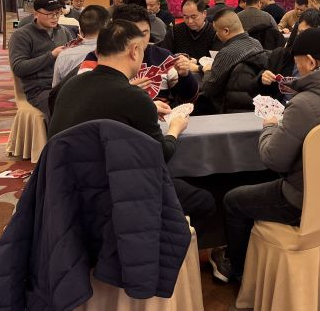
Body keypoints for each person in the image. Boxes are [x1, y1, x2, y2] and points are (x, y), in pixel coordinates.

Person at [210, 28, 320, 282]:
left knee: (233, 200)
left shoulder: (305, 104)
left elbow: (273, 159)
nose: (296, 68)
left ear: (310, 61)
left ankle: (239, 271)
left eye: (297, 62)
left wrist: (270, 126)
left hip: (306, 202)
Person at [48, 20, 215, 229]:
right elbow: (160, 154)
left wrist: (147, 106)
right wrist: (175, 129)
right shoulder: (133, 96)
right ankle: (161, 243)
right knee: (204, 201)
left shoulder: (71, 84)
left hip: (62, 186)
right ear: (135, 51)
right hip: (112, 192)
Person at [9, 0, 72, 118]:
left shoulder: (63, 31)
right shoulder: (21, 35)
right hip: (40, 88)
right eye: (50, 14)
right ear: (36, 14)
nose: (55, 17)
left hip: (64, 84)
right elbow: (19, 67)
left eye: (58, 13)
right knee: (61, 111)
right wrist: (52, 55)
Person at [199, 9, 267, 113]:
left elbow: (208, 89)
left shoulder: (226, 53)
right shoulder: (256, 43)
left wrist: (207, 70)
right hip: (255, 104)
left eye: (217, 31)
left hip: (229, 107)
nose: (216, 34)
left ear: (226, 31)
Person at [53, 5, 110, 85]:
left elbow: (56, 88)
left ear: (80, 31)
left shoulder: (63, 56)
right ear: (107, 28)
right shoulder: (116, 53)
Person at [163, 0, 223, 67]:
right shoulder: (174, 31)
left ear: (204, 13)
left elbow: (218, 61)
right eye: (186, 17)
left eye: (193, 17)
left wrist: (197, 62)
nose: (190, 21)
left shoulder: (215, 32)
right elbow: (164, 56)